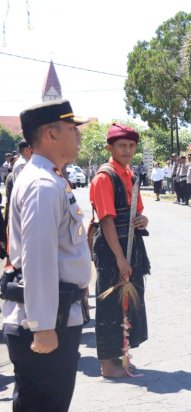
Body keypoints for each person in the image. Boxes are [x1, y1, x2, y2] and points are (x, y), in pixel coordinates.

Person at [2, 99, 91, 411]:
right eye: (72, 128)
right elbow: (38, 259)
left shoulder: (50, 177)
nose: (78, 135)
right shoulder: (42, 184)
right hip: (45, 320)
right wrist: (42, 326)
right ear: (51, 135)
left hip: (56, 314)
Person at [89, 123, 151, 378]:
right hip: (112, 251)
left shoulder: (131, 175)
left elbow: (138, 212)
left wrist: (143, 221)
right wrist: (119, 259)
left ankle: (123, 355)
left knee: (129, 304)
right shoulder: (105, 177)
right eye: (122, 146)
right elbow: (106, 221)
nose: (127, 150)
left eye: (131, 146)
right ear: (110, 148)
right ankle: (108, 363)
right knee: (111, 305)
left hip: (132, 248)